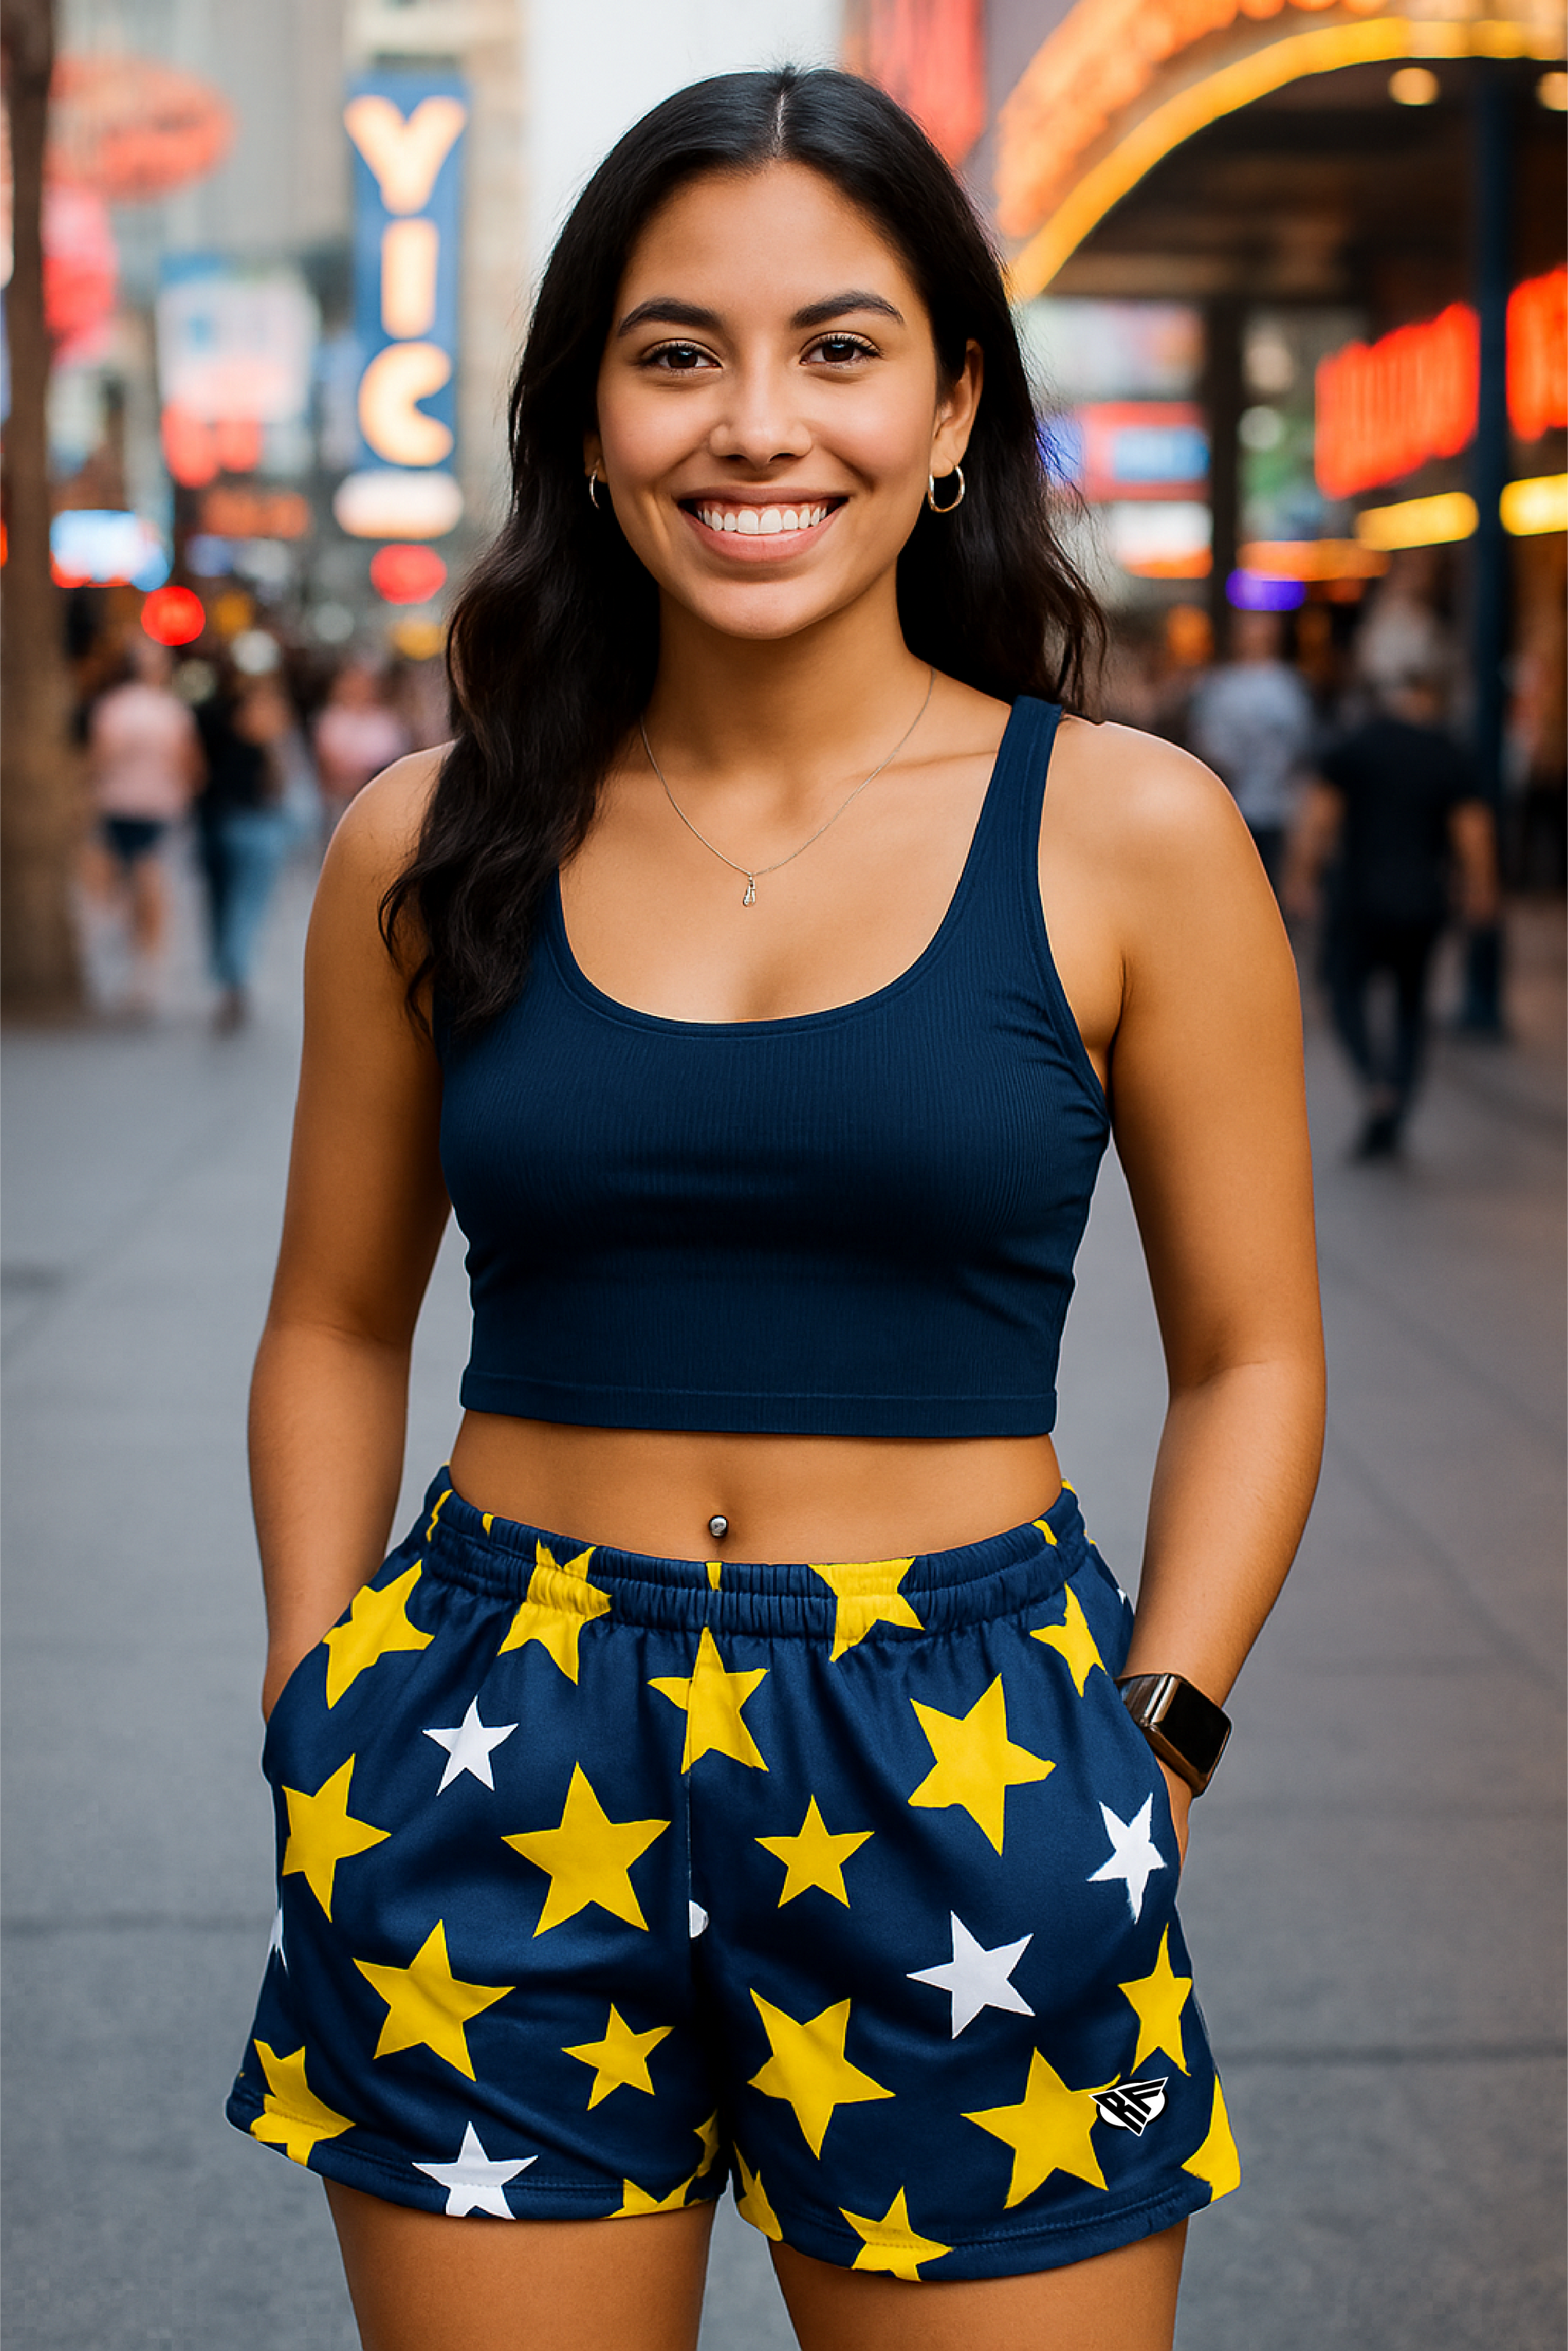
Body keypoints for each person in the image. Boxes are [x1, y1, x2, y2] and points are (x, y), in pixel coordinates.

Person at [226, 69, 1323, 2351]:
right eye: (675, 351)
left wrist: (1163, 1735)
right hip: (489, 1743)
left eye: (837, 347)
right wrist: (315, 1698)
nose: (756, 425)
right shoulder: (418, 845)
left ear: (950, 413)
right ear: (588, 419)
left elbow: (1252, 1352)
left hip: (969, 1751)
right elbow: (336, 1318)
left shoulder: (1128, 834)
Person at [1287, 671, 1498, 1159]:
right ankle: (1397, 1096)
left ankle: (1375, 1081)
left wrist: (1301, 880)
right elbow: (1474, 834)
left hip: (1359, 898)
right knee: (1410, 1003)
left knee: (1341, 991)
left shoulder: (1355, 746)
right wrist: (1482, 894)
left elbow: (1318, 820)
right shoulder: (1448, 752)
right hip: (1423, 901)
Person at [82, 637, 202, 1015]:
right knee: (150, 882)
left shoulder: (112, 707)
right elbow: (189, 765)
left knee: (121, 882)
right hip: (157, 807)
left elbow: (99, 759)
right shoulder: (171, 710)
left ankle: (132, 956)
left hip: (118, 803)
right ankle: (147, 964)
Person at [194, 666, 295, 1032]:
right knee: (246, 905)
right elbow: (281, 779)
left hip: (218, 819)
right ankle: (235, 976)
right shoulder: (265, 730)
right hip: (254, 821)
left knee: (223, 903)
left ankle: (227, 976)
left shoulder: (208, 718)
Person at [1186, 607, 1314, 891]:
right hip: (1234, 812)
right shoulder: (1220, 686)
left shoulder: (1290, 685)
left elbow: (1302, 754)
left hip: (1280, 813)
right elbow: (1209, 751)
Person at [313, 659, 413, 834]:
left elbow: (396, 761)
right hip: (339, 801)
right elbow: (328, 763)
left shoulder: (387, 720)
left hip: (381, 800)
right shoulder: (332, 719)